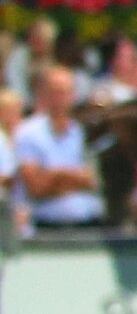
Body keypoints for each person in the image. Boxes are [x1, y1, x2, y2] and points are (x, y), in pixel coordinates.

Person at [15, 65, 103, 229]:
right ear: (44, 94)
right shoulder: (28, 132)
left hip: (88, 224)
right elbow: (36, 188)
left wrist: (55, 176)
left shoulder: (82, 132)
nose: (61, 97)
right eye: (56, 91)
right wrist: (74, 178)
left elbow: (94, 181)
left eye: (66, 91)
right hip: (48, 228)